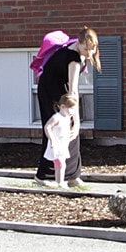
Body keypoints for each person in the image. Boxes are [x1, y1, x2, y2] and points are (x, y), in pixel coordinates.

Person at [32, 27, 100, 185]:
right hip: (50, 91)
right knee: (58, 130)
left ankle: (73, 176)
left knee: (68, 132)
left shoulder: (75, 47)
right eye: (86, 49)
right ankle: (42, 177)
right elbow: (73, 91)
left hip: (59, 87)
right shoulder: (74, 59)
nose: (89, 53)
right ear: (80, 44)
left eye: (92, 49)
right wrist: (76, 121)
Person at [43, 88, 80, 188]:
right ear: (63, 107)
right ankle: (60, 182)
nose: (72, 111)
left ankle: (59, 181)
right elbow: (47, 127)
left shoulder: (67, 118)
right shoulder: (57, 117)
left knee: (61, 163)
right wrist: (52, 139)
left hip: (63, 144)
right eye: (70, 108)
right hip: (55, 144)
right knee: (60, 163)